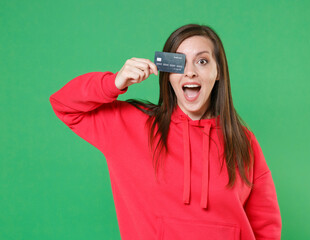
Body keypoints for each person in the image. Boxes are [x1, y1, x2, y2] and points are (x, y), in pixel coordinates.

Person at [49, 24, 282, 240]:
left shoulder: (242, 140)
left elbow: (265, 225)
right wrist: (114, 83)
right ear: (167, 72)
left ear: (218, 72)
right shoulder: (130, 125)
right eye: (180, 62)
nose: (190, 72)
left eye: (202, 61)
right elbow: (64, 105)